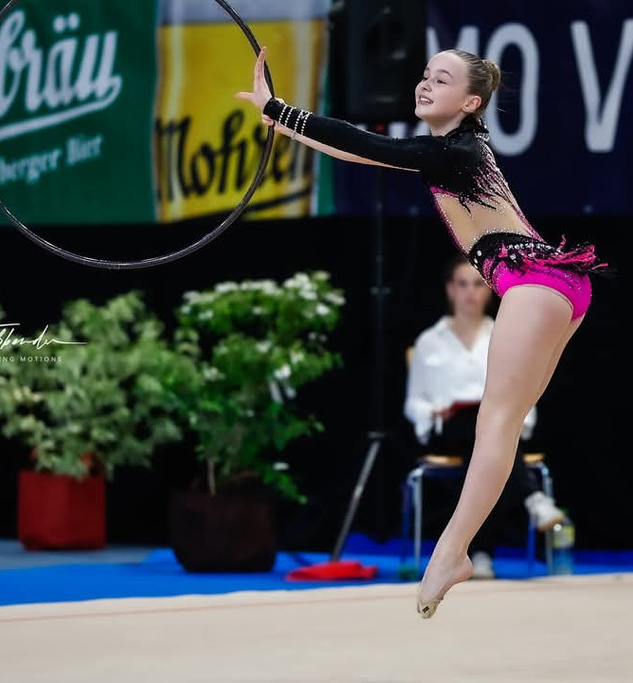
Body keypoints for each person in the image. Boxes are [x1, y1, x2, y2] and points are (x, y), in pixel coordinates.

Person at [238, 46, 608, 619]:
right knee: (503, 425)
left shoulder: (455, 151)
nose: (425, 84)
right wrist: (284, 123)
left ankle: (453, 552)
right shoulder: (455, 149)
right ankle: (467, 545)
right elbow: (361, 151)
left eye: (442, 79)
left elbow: (367, 145)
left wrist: (280, 110)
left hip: (535, 282)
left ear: (471, 102)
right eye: (425, 75)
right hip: (554, 283)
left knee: (496, 422)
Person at [404, 253, 566, 580]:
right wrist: (433, 412)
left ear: (489, 289)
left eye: (478, 284)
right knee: (483, 435)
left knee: (487, 440)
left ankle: (477, 553)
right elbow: (413, 403)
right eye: (462, 284)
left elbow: (524, 390)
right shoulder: (428, 342)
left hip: (497, 428)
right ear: (450, 289)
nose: (470, 292)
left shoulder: (504, 337)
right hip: (447, 429)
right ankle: (532, 497)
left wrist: (513, 420)